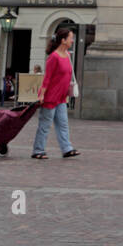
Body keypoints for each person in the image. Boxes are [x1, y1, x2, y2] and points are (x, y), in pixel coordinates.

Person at [32, 28, 79, 159]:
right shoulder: (54, 57)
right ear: (63, 40)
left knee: (63, 124)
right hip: (50, 98)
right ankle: (38, 150)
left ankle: (67, 149)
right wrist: (41, 95)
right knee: (45, 125)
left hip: (61, 98)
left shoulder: (68, 55)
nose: (72, 40)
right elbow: (47, 79)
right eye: (70, 37)